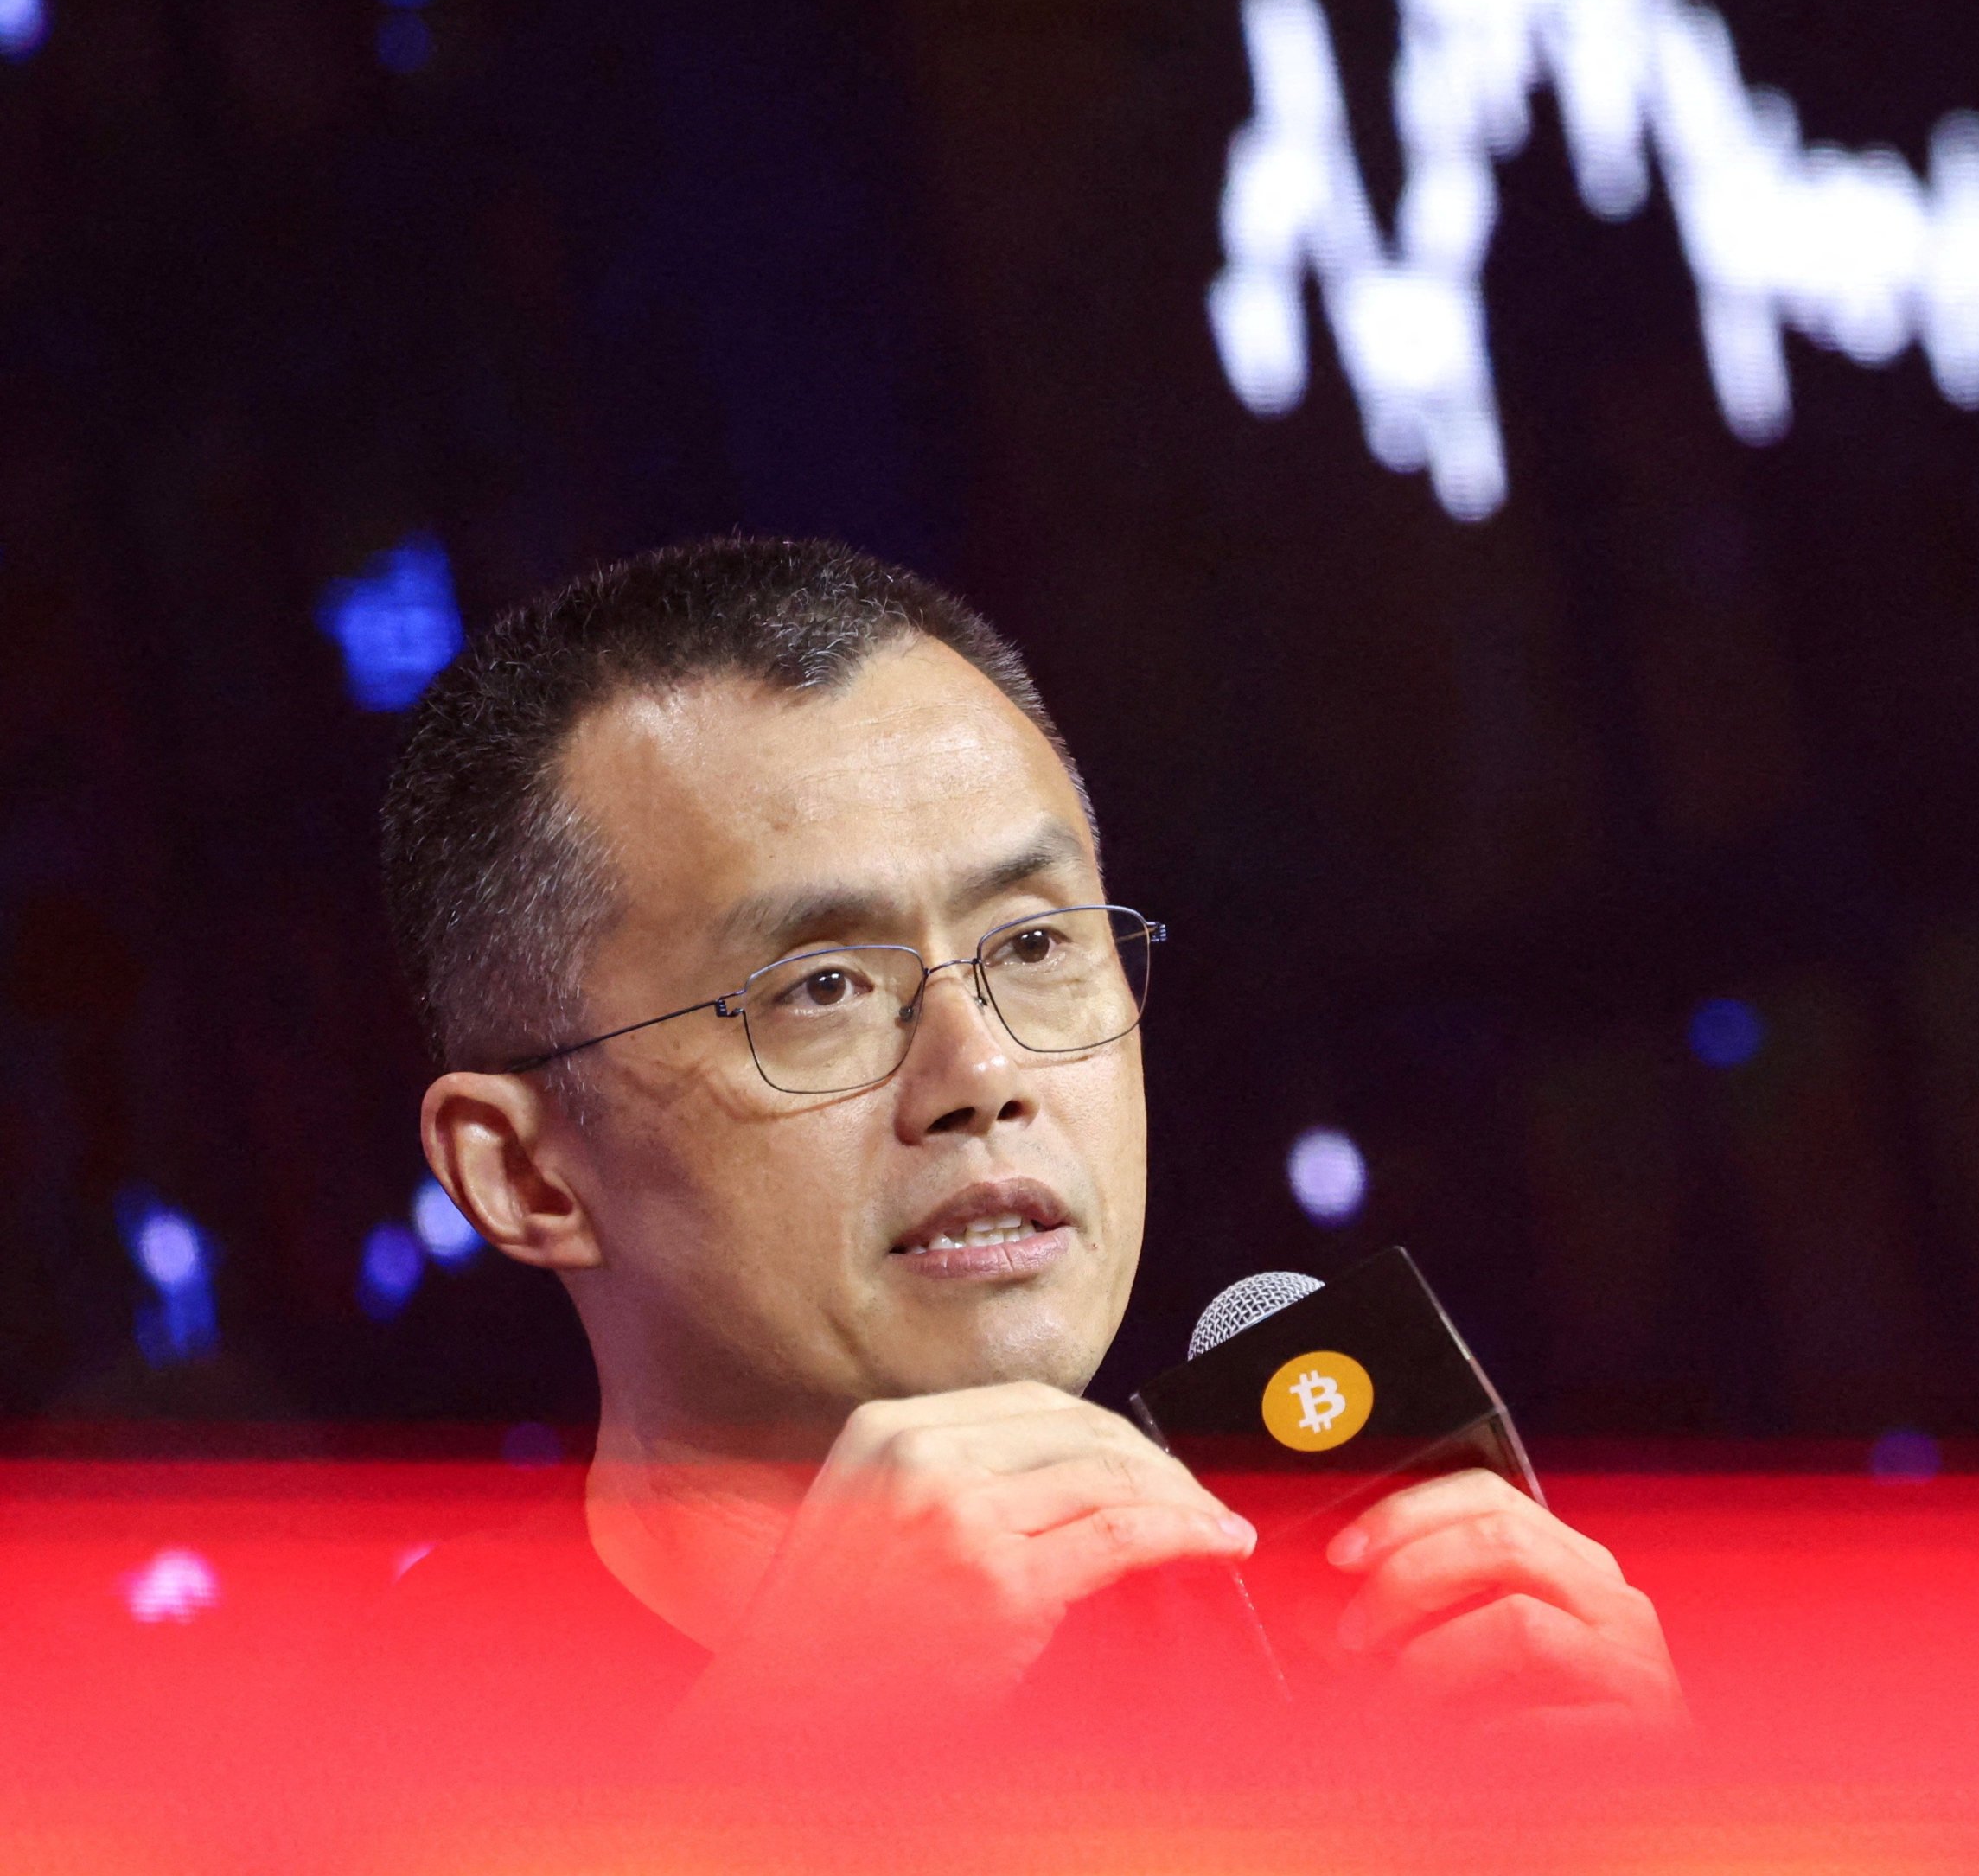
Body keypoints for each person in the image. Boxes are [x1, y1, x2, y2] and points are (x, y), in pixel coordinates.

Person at [386, 535, 1678, 1744]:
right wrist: (787, 1758)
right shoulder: (367, 1738)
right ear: (526, 1173)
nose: (983, 1072)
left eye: (1037, 945)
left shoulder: (1348, 1649)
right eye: (820, 987)